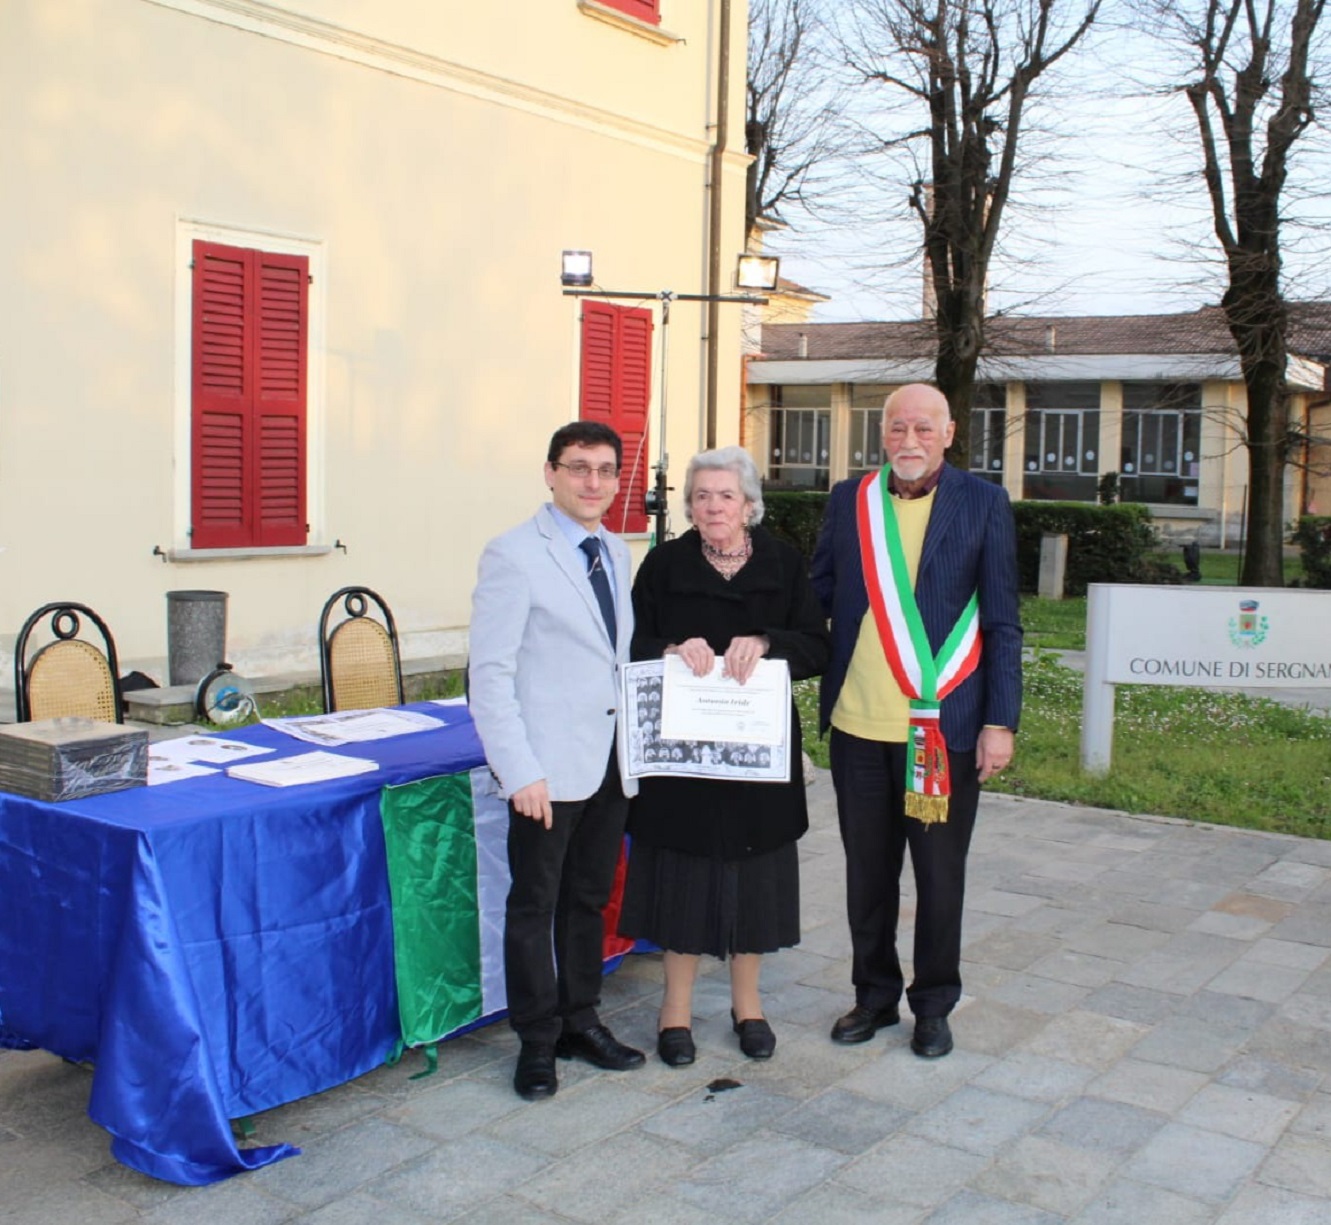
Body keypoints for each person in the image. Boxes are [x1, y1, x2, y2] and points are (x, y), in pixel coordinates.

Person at [811, 384, 1022, 1059]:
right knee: (867, 877)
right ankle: (873, 996)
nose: (909, 440)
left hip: (942, 731)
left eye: (923, 428)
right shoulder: (850, 501)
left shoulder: (983, 502)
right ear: (882, 434)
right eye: (897, 427)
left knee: (938, 876)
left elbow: (1002, 621)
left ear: (948, 433)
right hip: (858, 727)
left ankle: (932, 1005)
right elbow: (815, 594)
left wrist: (1000, 721)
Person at [619, 446, 830, 1066]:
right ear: (689, 505)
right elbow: (631, 642)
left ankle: (748, 1006)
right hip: (683, 755)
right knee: (682, 878)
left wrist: (766, 642)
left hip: (758, 753)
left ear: (748, 505)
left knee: (755, 878)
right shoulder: (664, 564)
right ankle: (675, 1011)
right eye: (702, 496)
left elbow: (816, 647)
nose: (714, 506)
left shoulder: (783, 563)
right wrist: (668, 650)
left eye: (726, 496)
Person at [468, 420, 645, 1100]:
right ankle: (536, 1040)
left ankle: (580, 1019)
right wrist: (519, 770)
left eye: (605, 470)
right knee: (533, 906)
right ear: (550, 473)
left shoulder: (616, 551)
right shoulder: (513, 554)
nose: (592, 482)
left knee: (588, 899)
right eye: (578, 467)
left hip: (607, 763)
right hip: (544, 770)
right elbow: (489, 675)